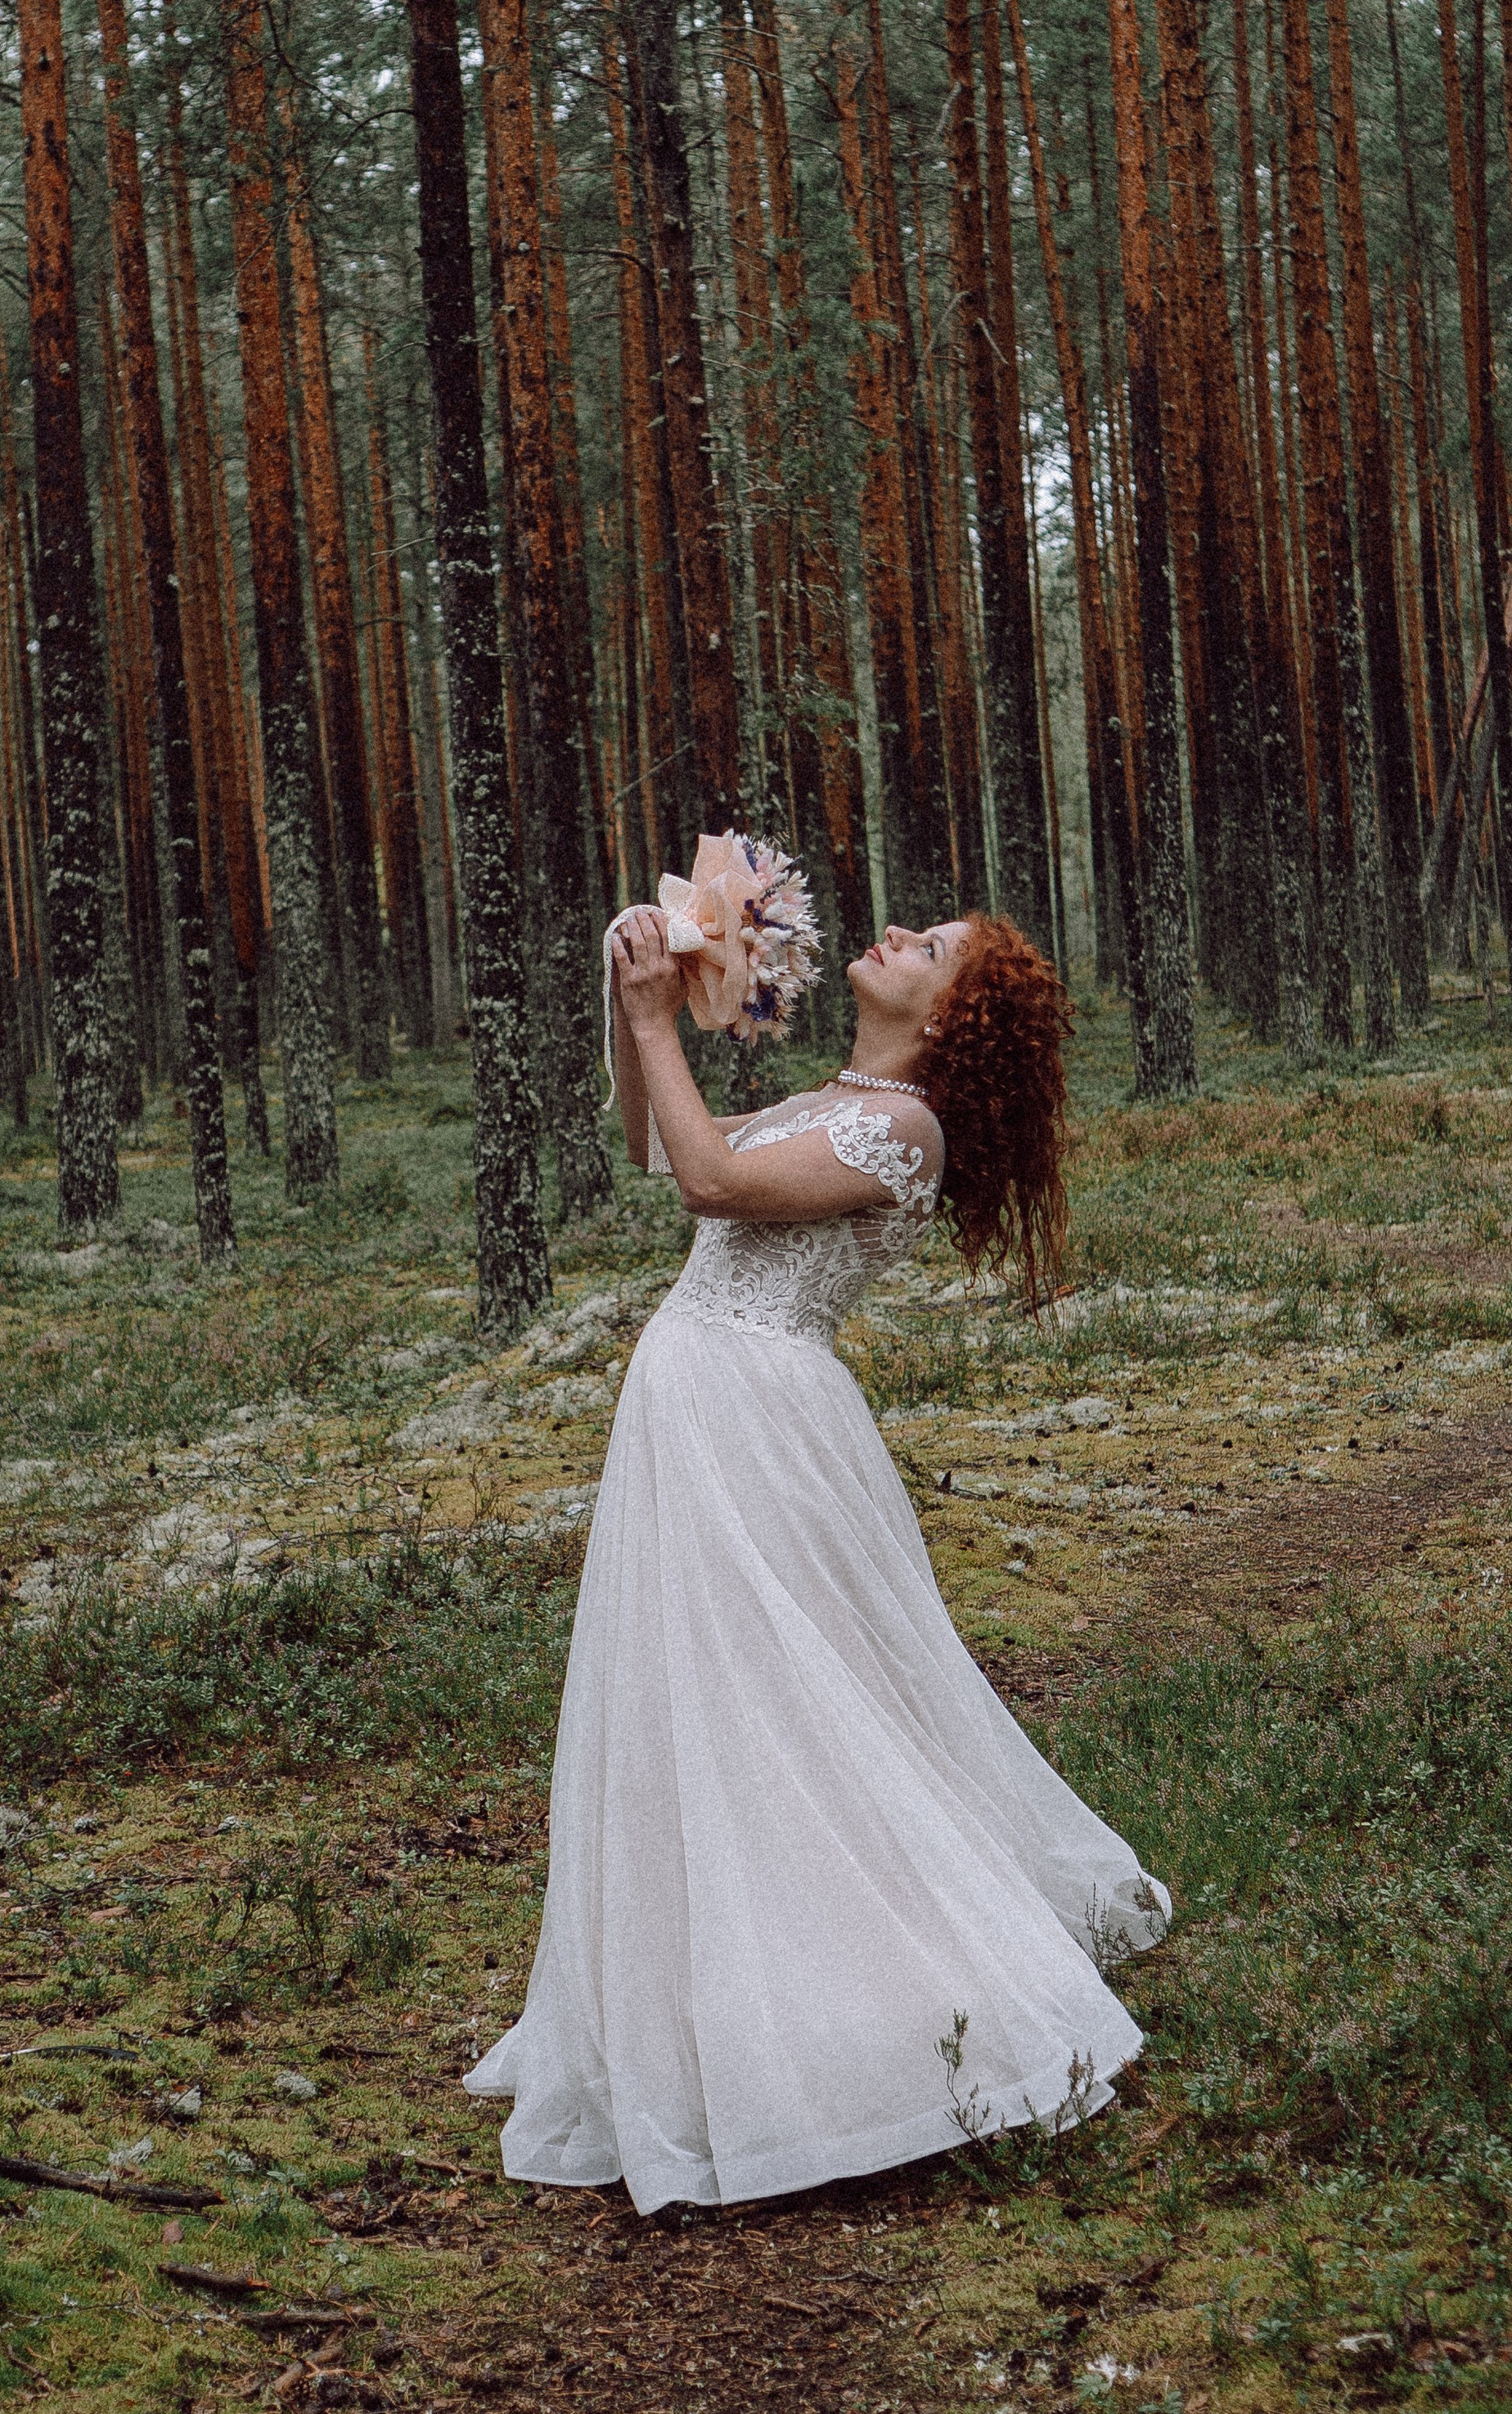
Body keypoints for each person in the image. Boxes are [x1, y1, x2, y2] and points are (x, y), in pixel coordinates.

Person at [463, 910, 1169, 2213]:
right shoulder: (827, 1101)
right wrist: (635, 1001)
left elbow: (712, 1186)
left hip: (757, 1421)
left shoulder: (907, 1129)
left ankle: (872, 2009)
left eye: (929, 947)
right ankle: (726, 2001)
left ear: (950, 1016)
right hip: (699, 1407)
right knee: (706, 1702)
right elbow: (658, 1143)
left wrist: (659, 1024)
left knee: (795, 1702)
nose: (895, 933)